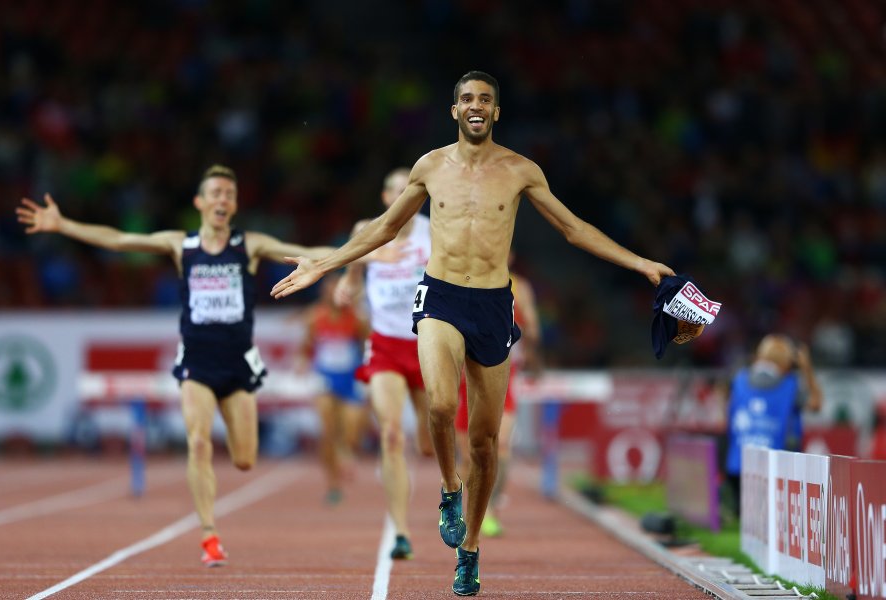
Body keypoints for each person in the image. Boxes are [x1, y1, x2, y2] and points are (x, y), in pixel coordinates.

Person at [271, 71, 673, 596]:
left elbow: (573, 229)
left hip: (492, 304)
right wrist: (324, 265)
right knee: (440, 406)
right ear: (454, 110)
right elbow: (384, 228)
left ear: (496, 112)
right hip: (440, 295)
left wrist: (638, 261)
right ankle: (448, 487)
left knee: (484, 443)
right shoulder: (430, 166)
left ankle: (470, 550)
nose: (475, 106)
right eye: (466, 99)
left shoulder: (520, 171)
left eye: (485, 99)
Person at [16, 164, 336, 567]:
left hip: (238, 365)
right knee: (198, 442)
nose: (222, 199)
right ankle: (209, 534)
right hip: (197, 362)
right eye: (215, 193)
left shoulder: (249, 244)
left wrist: (368, 247)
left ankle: (215, 515)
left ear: (234, 205)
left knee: (245, 459)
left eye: (229, 194)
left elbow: (311, 253)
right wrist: (64, 225)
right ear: (200, 202)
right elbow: (118, 240)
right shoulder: (180, 245)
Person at [332, 166, 434, 560]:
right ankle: (401, 531)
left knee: (431, 443)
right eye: (396, 191)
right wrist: (348, 283)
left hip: (428, 345)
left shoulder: (435, 228)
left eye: (411, 191)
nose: (402, 198)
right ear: (385, 197)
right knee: (392, 434)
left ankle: (449, 493)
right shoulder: (368, 228)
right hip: (386, 345)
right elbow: (353, 272)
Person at [455, 261, 541, 538]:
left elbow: (532, 328)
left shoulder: (520, 287)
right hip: (465, 380)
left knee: (501, 446)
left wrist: (530, 348)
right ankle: (466, 508)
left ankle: (491, 508)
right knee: (469, 457)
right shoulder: (462, 279)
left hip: (502, 378)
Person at [724, 334, 823, 514]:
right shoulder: (790, 385)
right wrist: (807, 369)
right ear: (786, 363)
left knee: (746, 519)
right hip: (775, 470)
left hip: (738, 465)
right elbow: (816, 405)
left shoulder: (739, 380)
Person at [297, 273, 370, 505]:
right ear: (324, 294)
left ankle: (345, 452)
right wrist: (301, 361)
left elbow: (369, 347)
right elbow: (306, 346)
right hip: (325, 379)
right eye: (329, 290)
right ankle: (333, 483)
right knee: (327, 432)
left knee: (350, 433)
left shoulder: (358, 319)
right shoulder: (314, 317)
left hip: (350, 379)